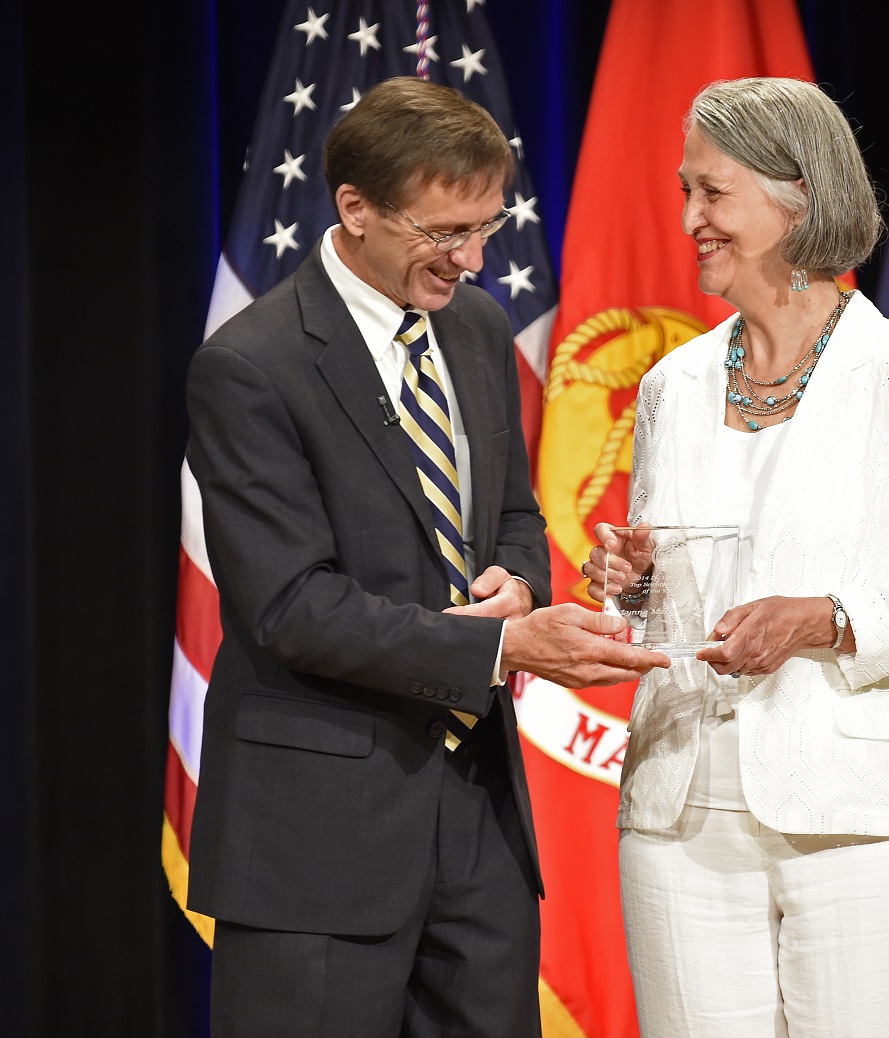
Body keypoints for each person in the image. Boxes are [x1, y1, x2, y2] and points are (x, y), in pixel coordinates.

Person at [184, 78, 667, 1038]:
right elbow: (290, 607)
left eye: (485, 228)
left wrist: (518, 580)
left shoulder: (479, 331)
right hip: (318, 837)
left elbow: (514, 515)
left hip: (478, 824)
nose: (474, 260)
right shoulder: (250, 367)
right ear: (355, 209)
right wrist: (504, 649)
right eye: (446, 232)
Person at [581, 77, 889, 1038]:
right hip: (682, 810)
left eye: (715, 192)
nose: (691, 217)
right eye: (685, 191)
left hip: (868, 818)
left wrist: (824, 618)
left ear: (801, 198)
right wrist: (632, 579)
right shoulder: (673, 386)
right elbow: (667, 597)